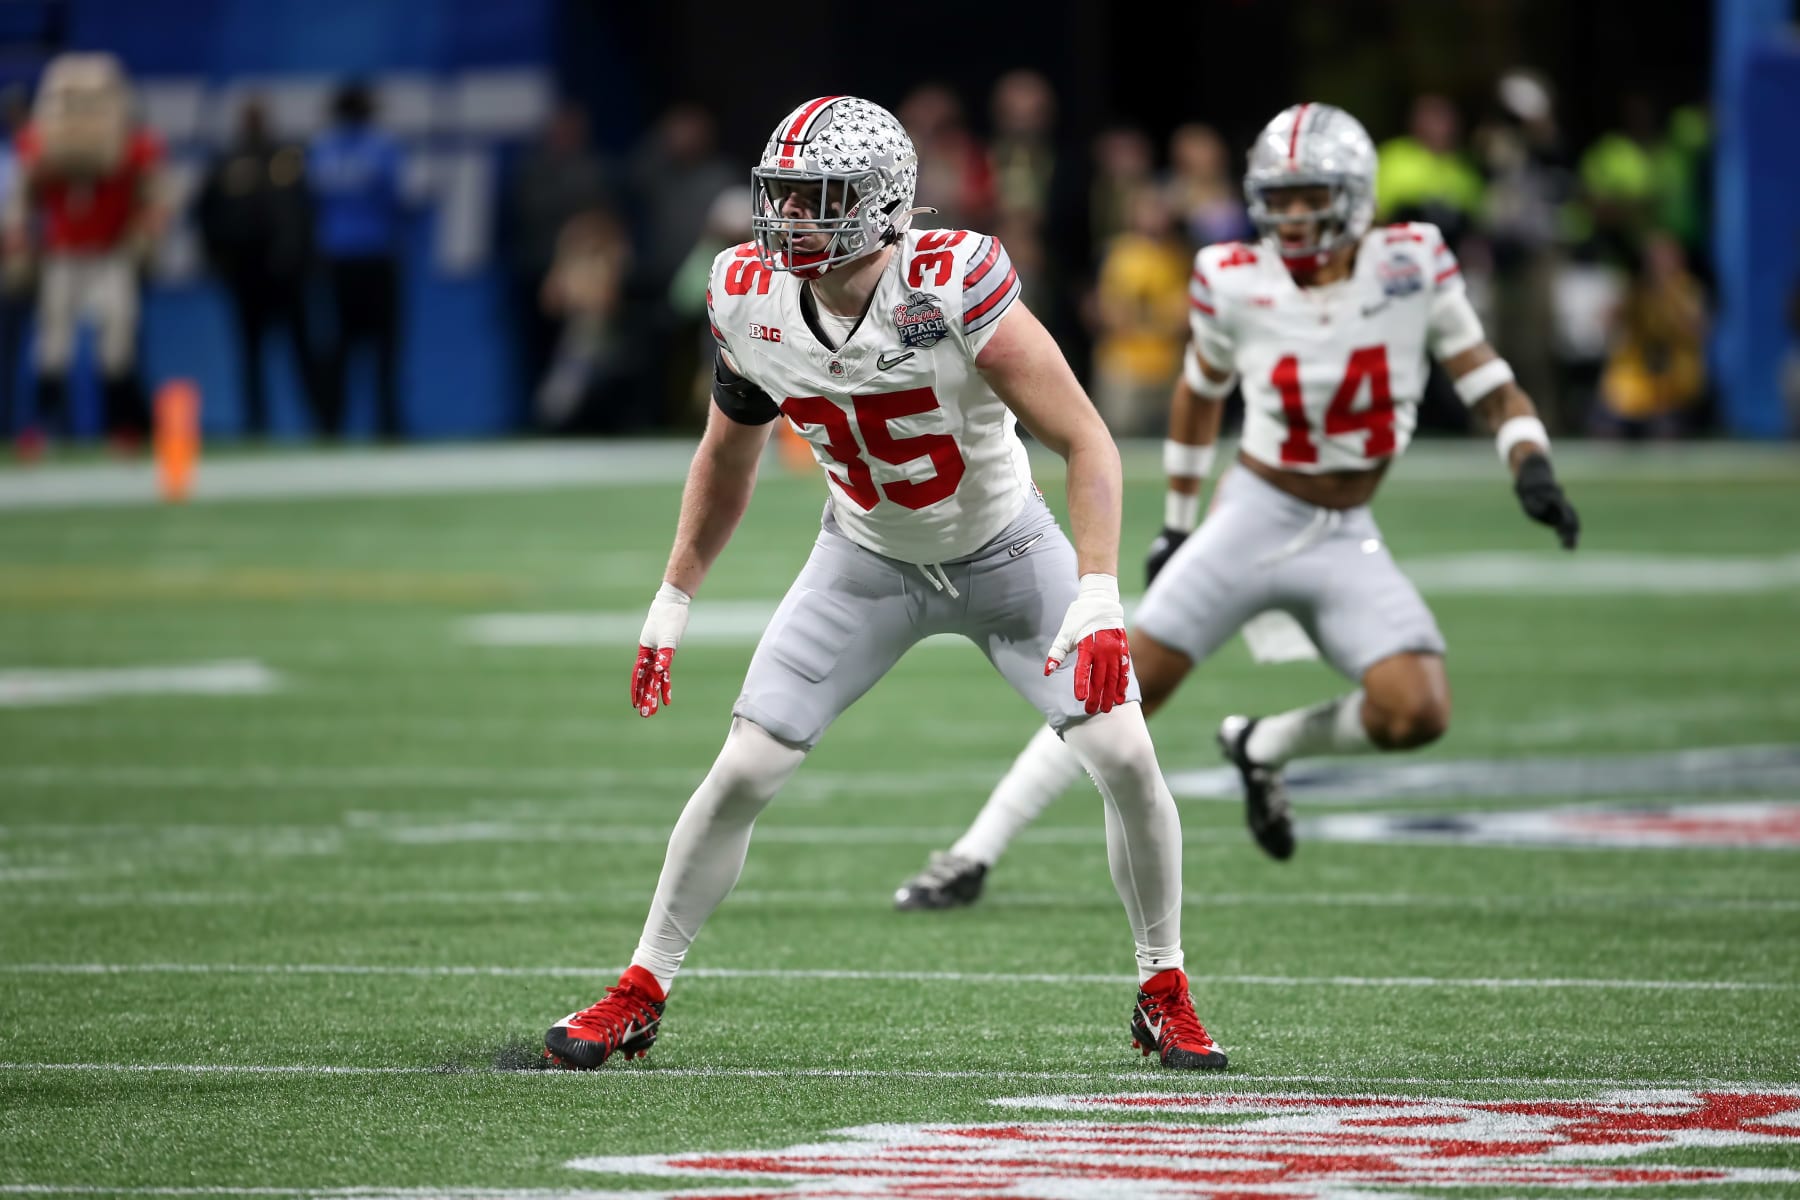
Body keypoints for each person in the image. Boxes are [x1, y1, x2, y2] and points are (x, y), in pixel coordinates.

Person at [543, 95, 1225, 1073]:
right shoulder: (747, 293)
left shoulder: (952, 278)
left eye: (820, 199)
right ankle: (641, 987)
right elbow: (725, 459)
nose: (792, 220)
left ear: (882, 202)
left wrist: (1099, 590)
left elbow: (1086, 438)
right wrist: (673, 595)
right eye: (784, 197)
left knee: (1123, 754)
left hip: (1006, 552)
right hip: (865, 559)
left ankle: (1163, 988)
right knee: (745, 767)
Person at [895, 103, 1581, 910]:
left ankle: (1262, 745)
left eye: (1309, 195)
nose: (1291, 215)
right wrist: (1179, 523)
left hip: (1346, 531)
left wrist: (1528, 459)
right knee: (1116, 683)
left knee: (1418, 709)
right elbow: (1199, 395)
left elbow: (1483, 374)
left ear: (1355, 195)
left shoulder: (1412, 263)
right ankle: (972, 853)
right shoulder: (1233, 276)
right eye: (1278, 197)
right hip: (1256, 513)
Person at [6, 52, 165, 451]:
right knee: (51, 346)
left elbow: (154, 196)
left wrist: (146, 230)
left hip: (109, 254)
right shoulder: (40, 144)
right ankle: (42, 429)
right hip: (63, 255)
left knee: (116, 346)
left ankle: (122, 429)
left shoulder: (135, 146)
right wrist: (21, 234)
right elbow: (24, 195)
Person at [196, 98, 323, 437]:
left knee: (302, 351)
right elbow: (205, 214)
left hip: (287, 272)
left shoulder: (287, 159)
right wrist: (219, 260)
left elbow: (308, 210)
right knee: (251, 354)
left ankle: (322, 424)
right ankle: (256, 425)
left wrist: (305, 258)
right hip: (246, 273)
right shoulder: (227, 162)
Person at [310, 81, 405, 439]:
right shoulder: (383, 148)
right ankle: (388, 424)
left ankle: (331, 425)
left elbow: (312, 202)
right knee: (385, 347)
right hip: (377, 255)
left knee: (338, 347)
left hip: (337, 259)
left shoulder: (322, 150)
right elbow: (397, 198)